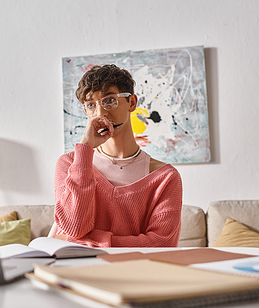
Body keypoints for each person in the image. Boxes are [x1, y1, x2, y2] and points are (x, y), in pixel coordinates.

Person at [50, 64, 182, 247]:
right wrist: (85, 148)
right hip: (77, 271)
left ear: (132, 103)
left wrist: (86, 242)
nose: (100, 113)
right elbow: (75, 228)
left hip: (136, 272)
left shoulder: (165, 178)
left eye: (109, 100)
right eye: (90, 105)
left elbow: (161, 245)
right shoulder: (69, 163)